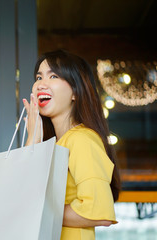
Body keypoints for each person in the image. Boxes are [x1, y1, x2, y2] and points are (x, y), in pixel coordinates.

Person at [23, 50, 120, 240]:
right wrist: (32, 139)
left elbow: (98, 211)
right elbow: (25, 192)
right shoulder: (55, 144)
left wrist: (39, 211)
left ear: (75, 91)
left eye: (53, 76)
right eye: (38, 77)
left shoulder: (82, 139)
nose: (41, 83)